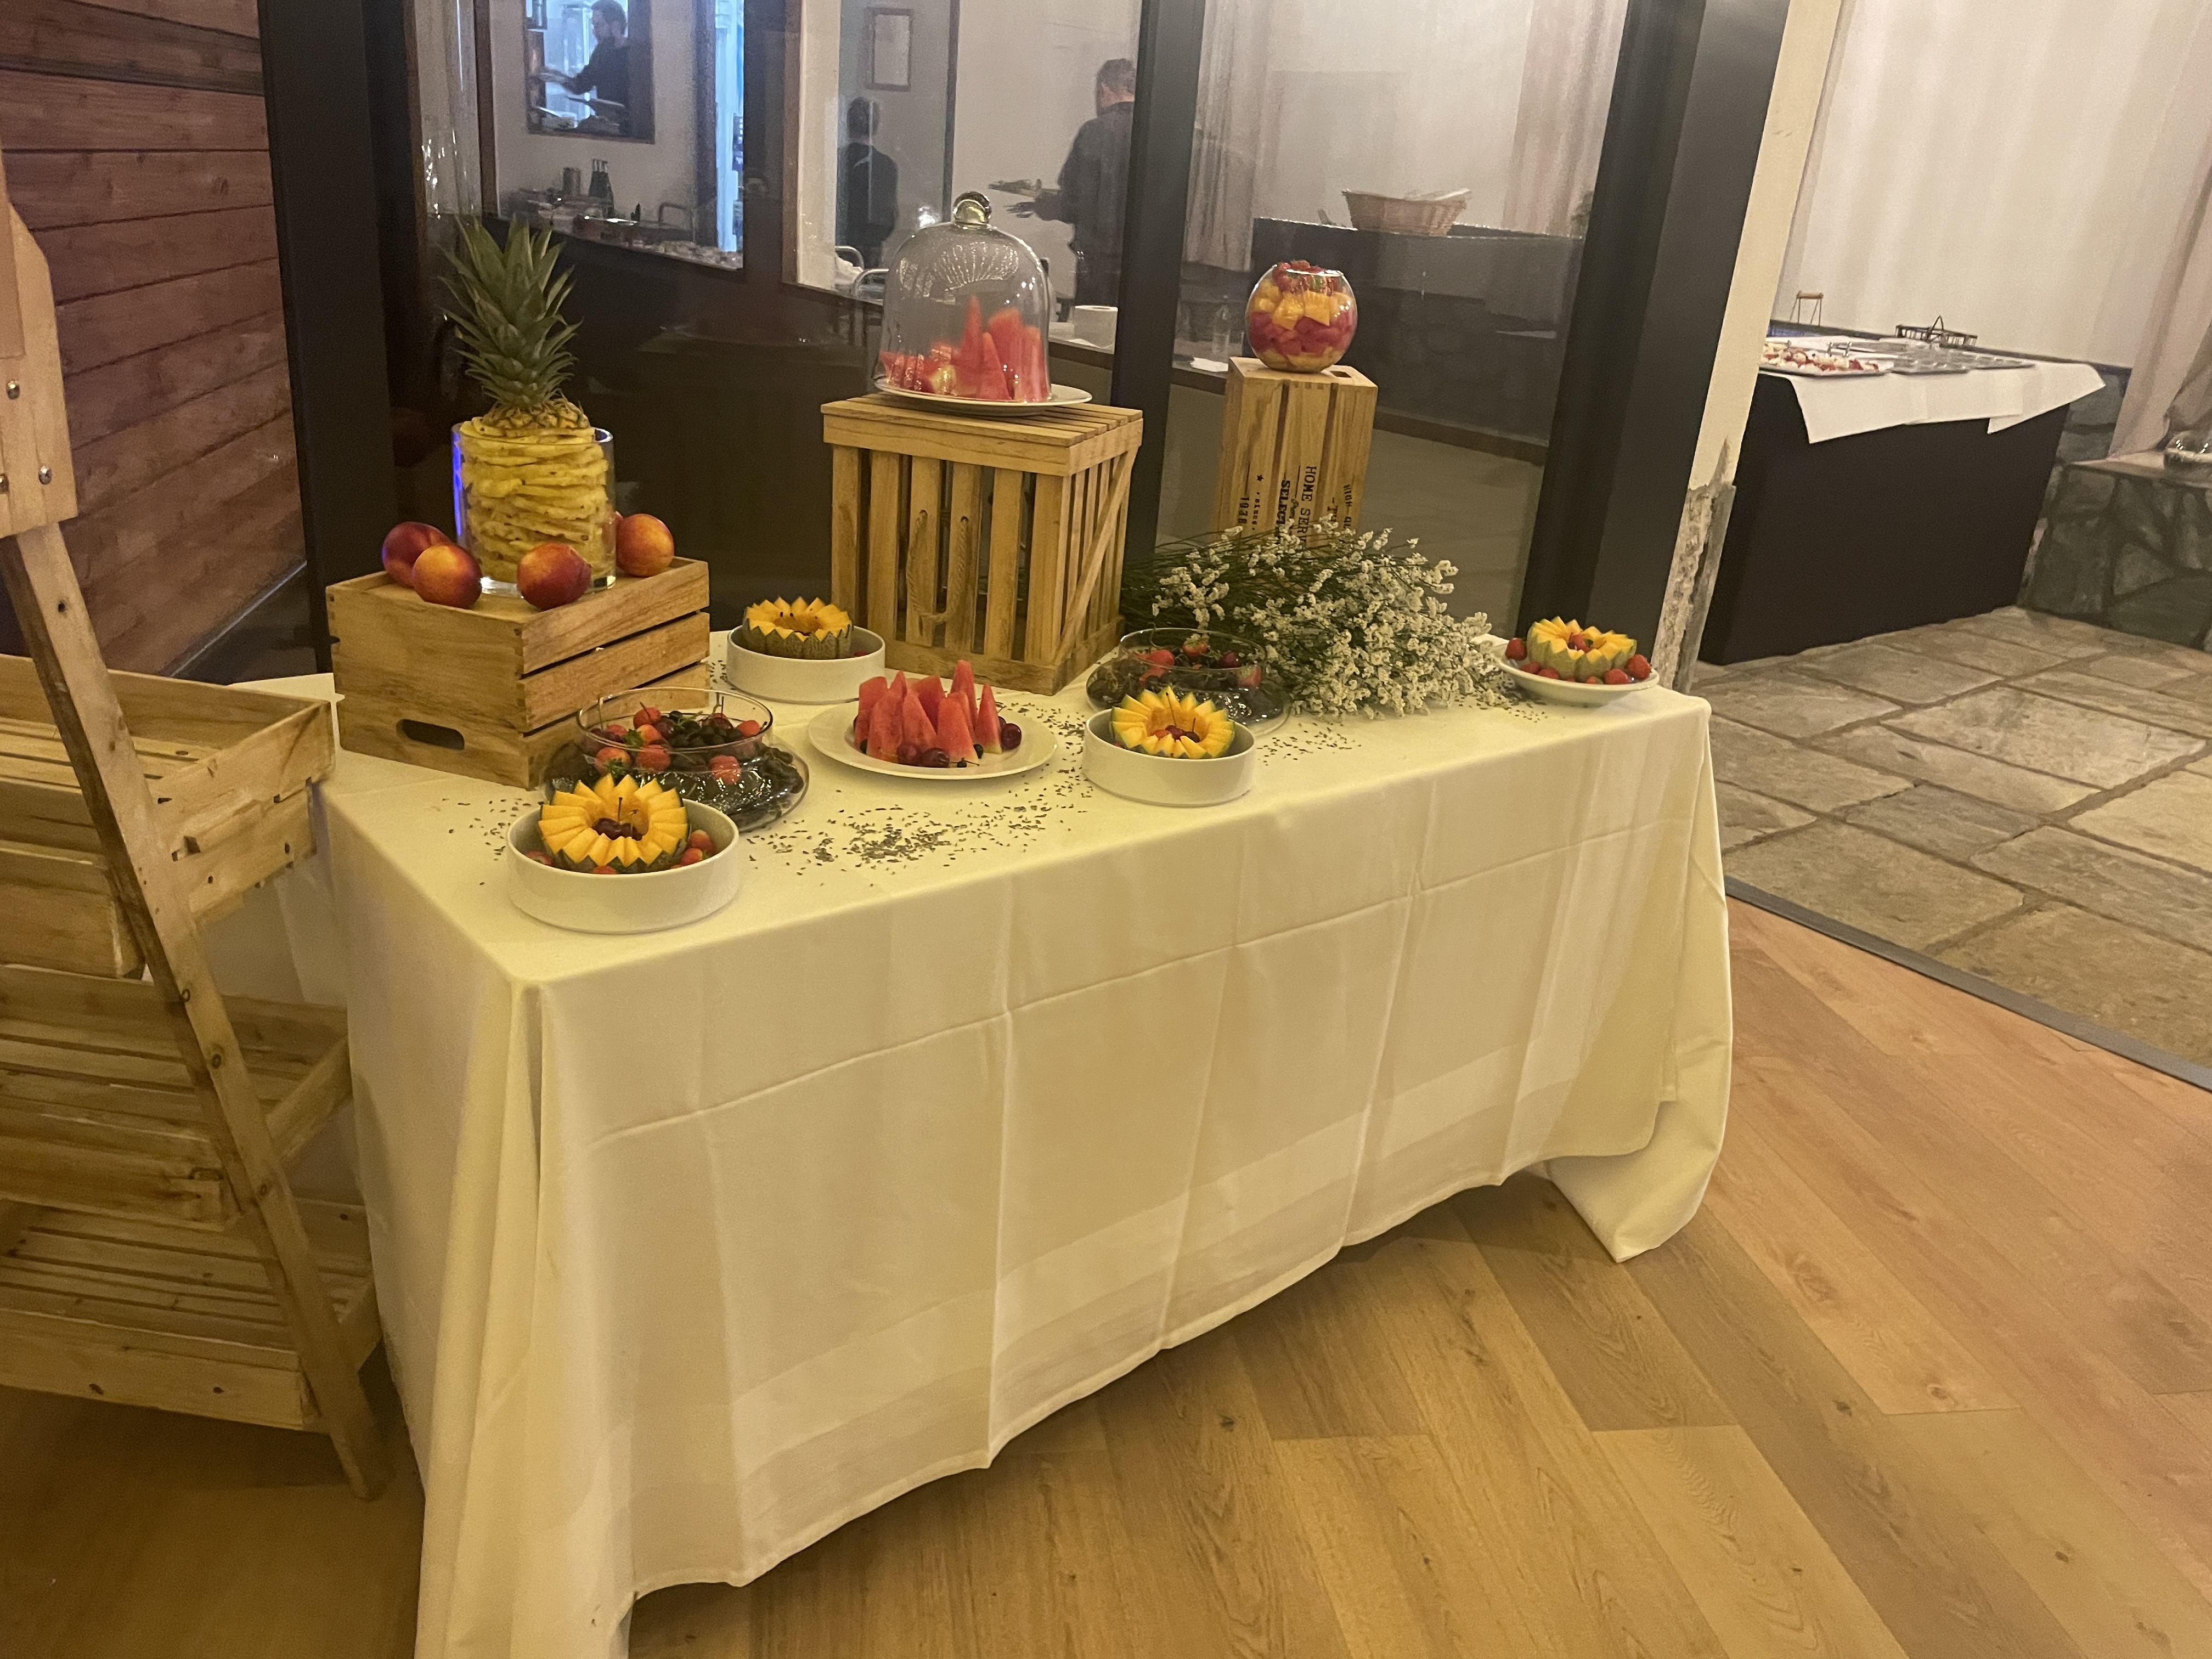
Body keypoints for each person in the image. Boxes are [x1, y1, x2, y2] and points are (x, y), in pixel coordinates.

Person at [1024, 58, 1136, 307]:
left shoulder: (1094, 132)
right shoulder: (1154, 132)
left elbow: (1073, 204)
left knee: (1094, 328)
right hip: (1146, 266)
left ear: (1104, 90)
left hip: (1099, 264)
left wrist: (1042, 205)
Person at [836, 98, 899, 268]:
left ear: (848, 124)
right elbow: (889, 218)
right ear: (876, 127)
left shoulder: (836, 160)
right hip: (871, 253)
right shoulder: (886, 165)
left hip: (837, 248)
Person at [557, 1, 633, 137]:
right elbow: (582, 84)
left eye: (598, 25)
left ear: (616, 26)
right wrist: (558, 77)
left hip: (628, 129)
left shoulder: (633, 54)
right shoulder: (603, 51)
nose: (595, 32)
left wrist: (559, 78)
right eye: (593, 25)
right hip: (610, 125)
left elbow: (580, 85)